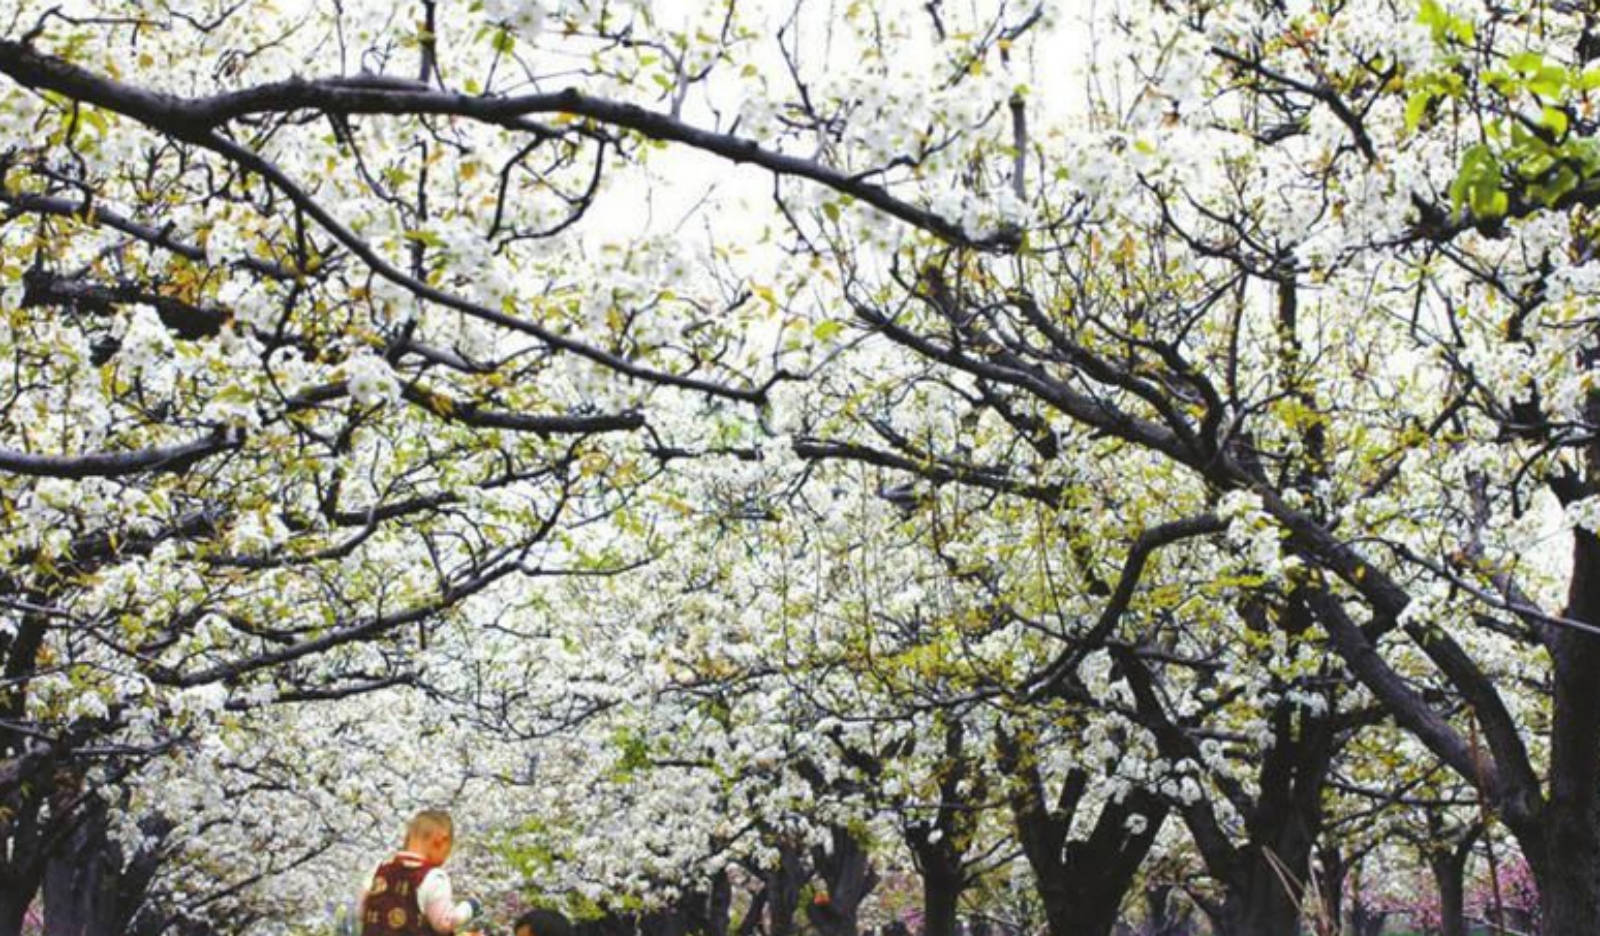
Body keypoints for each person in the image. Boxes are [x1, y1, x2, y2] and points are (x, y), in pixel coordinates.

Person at [358, 809, 482, 935]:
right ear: (440, 842)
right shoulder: (433, 878)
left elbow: (362, 912)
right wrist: (469, 907)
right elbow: (445, 922)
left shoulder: (378, 871)